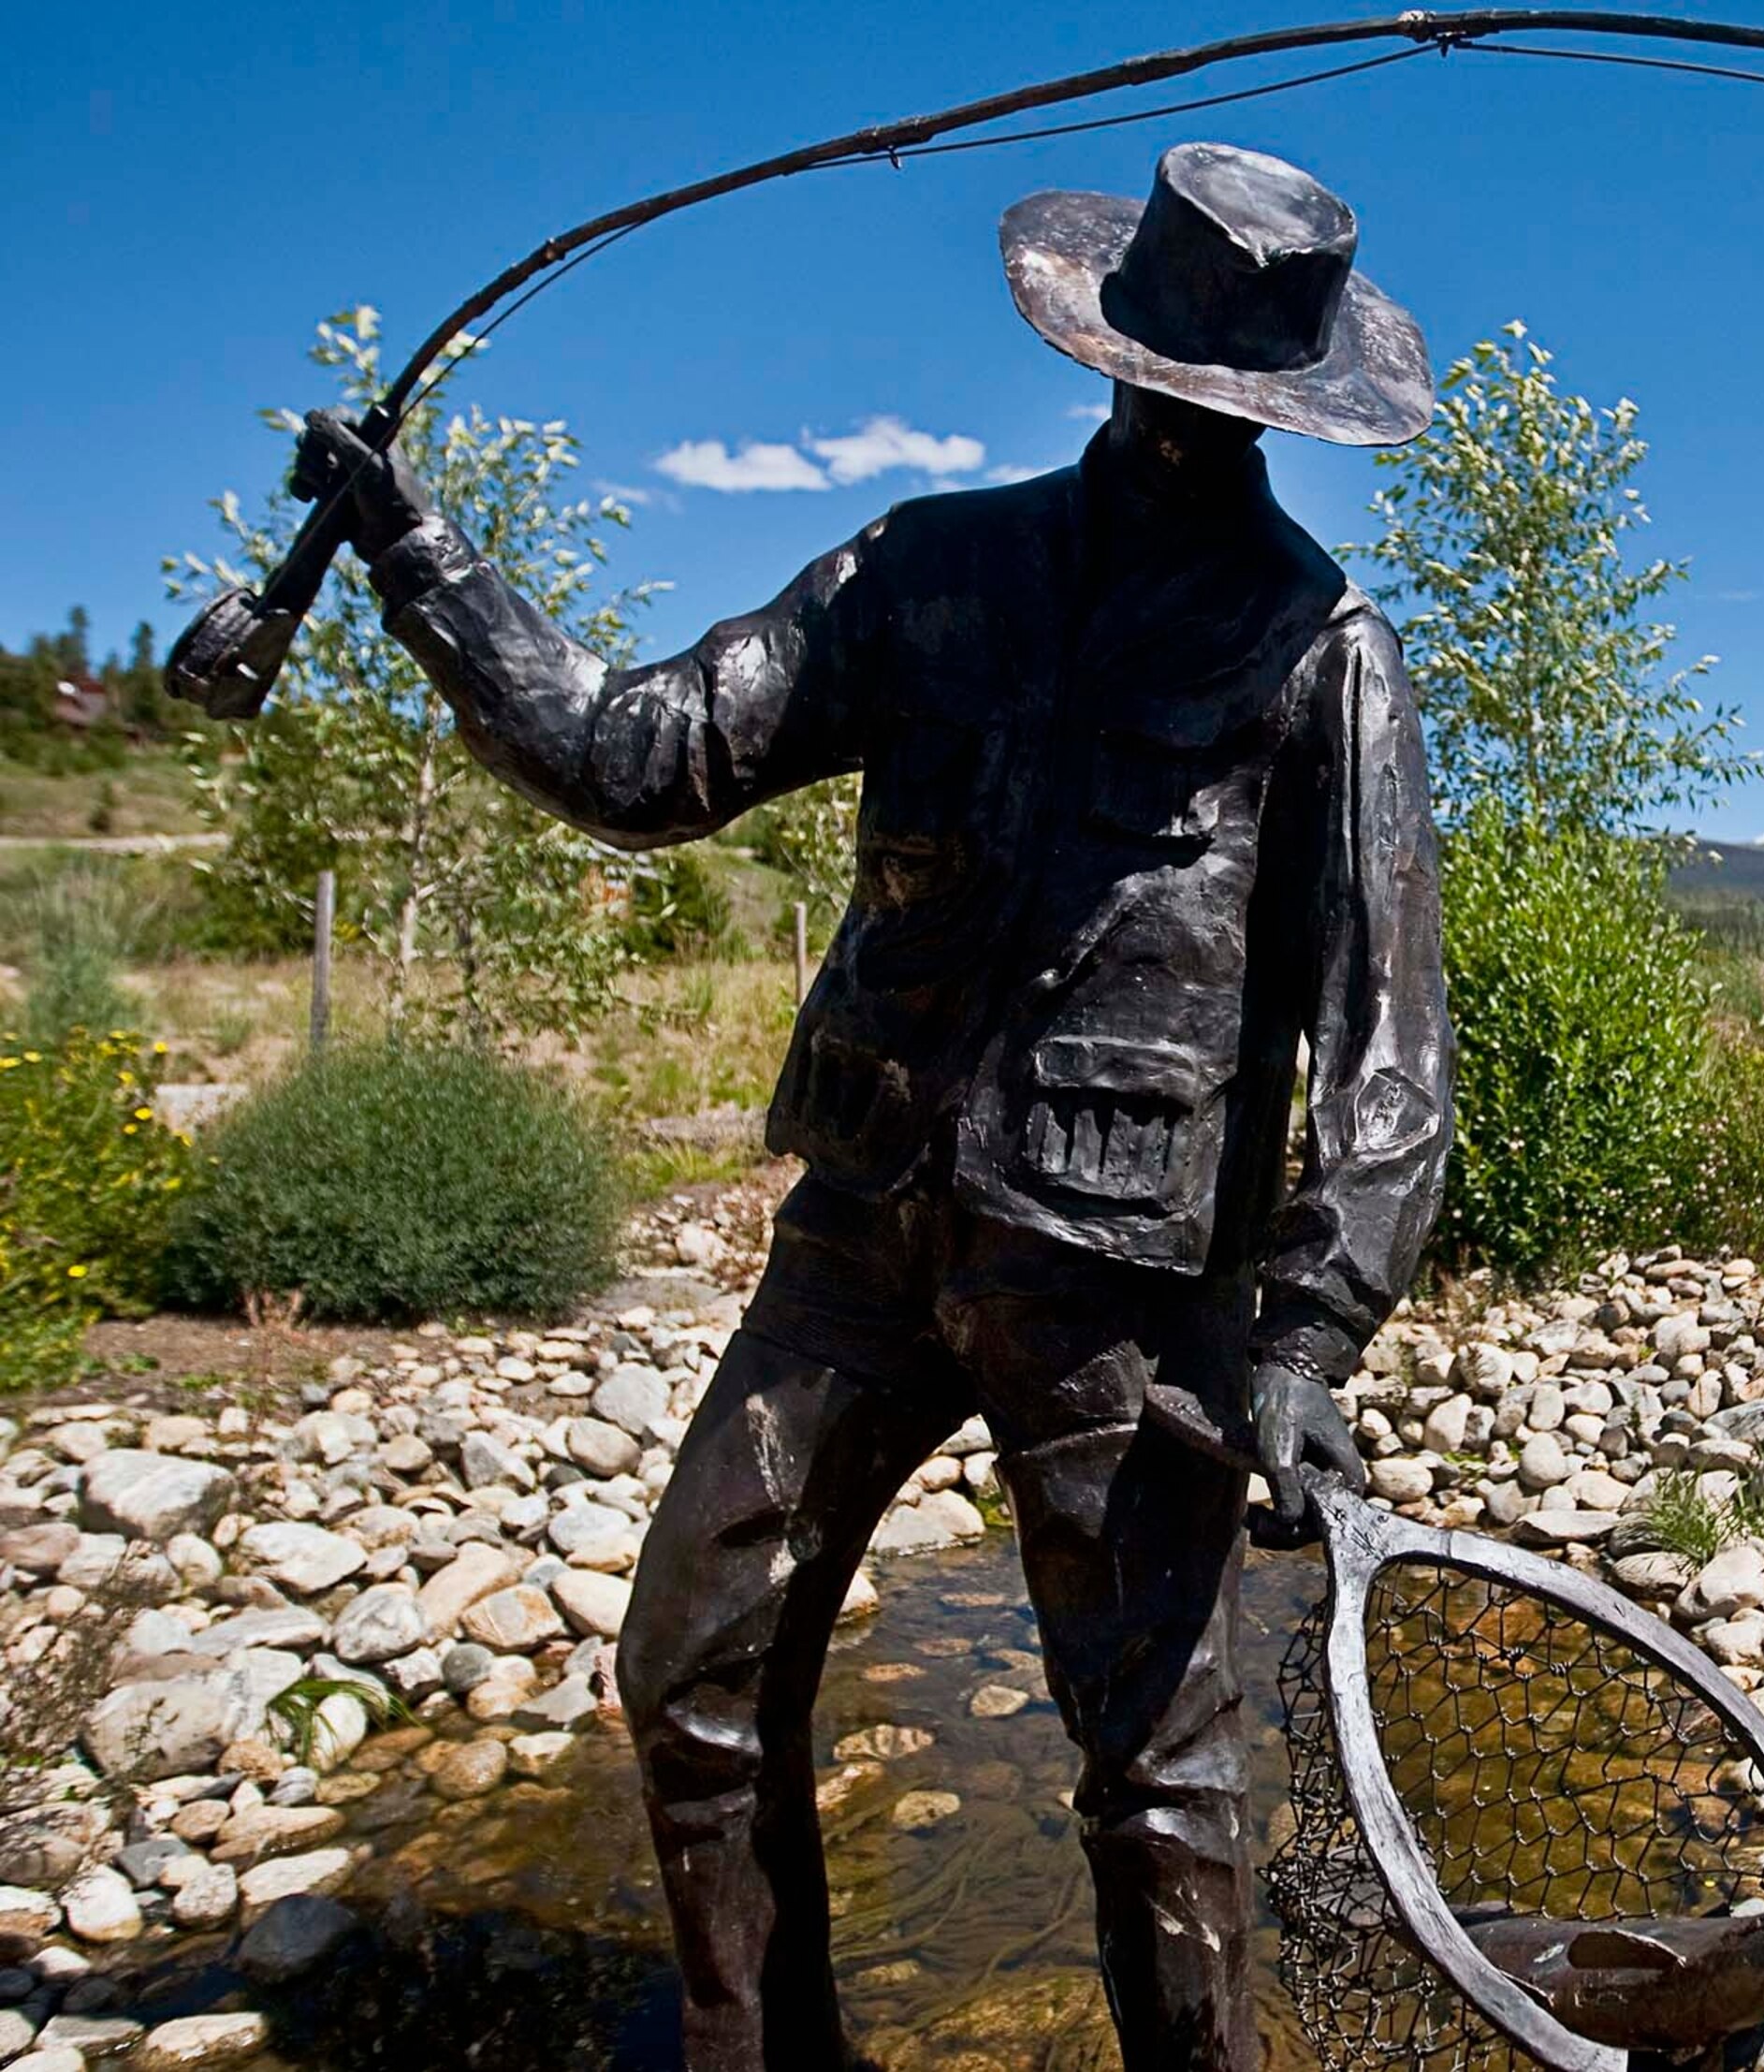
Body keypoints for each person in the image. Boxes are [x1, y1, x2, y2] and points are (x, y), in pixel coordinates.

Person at [284, 142, 1453, 2072]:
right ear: (1116, 347)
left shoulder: (1324, 656)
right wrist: (423, 561)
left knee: (1159, 1777)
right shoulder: (926, 572)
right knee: (698, 1665)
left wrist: (1314, 1331)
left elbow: (1393, 1044)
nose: (1181, 411)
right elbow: (640, 756)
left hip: (1127, 1292)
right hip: (861, 1236)